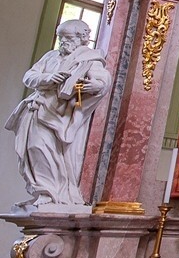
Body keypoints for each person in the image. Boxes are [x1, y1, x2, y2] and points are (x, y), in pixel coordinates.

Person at [8, 20, 112, 211]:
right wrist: (48, 78)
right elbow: (29, 76)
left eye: (68, 37)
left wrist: (96, 85)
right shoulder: (50, 56)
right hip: (38, 109)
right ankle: (43, 191)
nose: (63, 41)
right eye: (61, 37)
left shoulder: (89, 58)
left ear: (81, 38)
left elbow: (102, 80)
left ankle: (51, 193)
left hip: (61, 115)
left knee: (44, 149)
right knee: (32, 148)